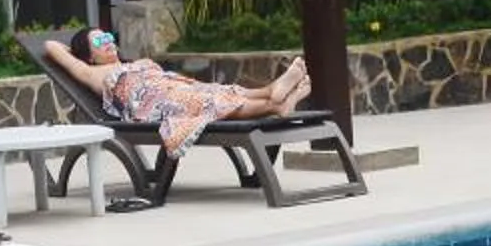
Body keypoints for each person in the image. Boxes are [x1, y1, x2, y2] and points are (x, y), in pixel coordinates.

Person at [40, 29, 309, 158]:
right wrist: (77, 52)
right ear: (88, 55)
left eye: (109, 36)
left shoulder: (129, 63)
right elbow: (51, 46)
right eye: (99, 41)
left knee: (217, 90)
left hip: (169, 86)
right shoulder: (91, 73)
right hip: (152, 103)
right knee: (206, 102)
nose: (109, 42)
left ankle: (272, 93)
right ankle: (275, 104)